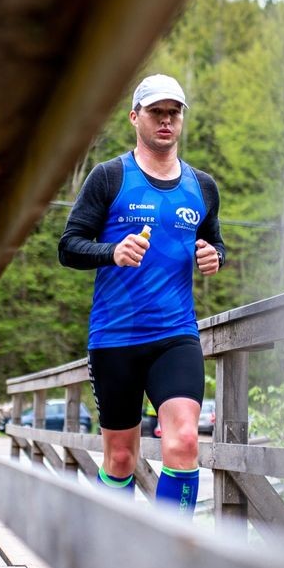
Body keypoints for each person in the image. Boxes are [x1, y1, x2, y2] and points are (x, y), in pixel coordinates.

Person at [59, 73, 225, 516]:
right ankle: (113, 554)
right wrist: (112, 251)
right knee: (119, 458)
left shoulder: (203, 187)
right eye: (156, 112)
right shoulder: (109, 177)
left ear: (182, 119)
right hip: (115, 337)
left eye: (174, 112)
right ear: (136, 117)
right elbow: (68, 247)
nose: (166, 120)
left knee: (186, 441)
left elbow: (213, 242)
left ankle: (170, 558)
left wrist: (215, 257)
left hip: (175, 334)